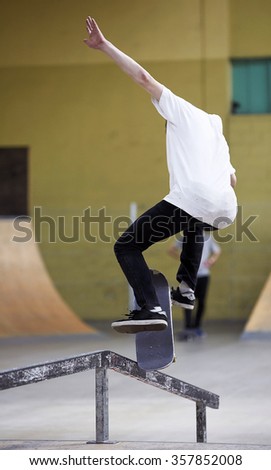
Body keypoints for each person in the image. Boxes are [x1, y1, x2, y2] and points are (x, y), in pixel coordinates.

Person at [83, 17, 237, 334]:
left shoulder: (178, 109)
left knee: (126, 246)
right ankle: (187, 288)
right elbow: (232, 180)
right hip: (226, 207)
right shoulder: (215, 130)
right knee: (196, 221)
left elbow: (143, 77)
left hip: (193, 197)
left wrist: (105, 46)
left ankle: (149, 307)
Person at [168, 232, 221, 339]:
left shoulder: (207, 237)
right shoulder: (185, 236)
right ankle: (188, 327)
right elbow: (171, 249)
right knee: (187, 299)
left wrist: (212, 260)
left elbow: (217, 251)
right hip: (190, 275)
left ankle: (197, 327)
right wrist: (184, 259)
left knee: (201, 301)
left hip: (203, 274)